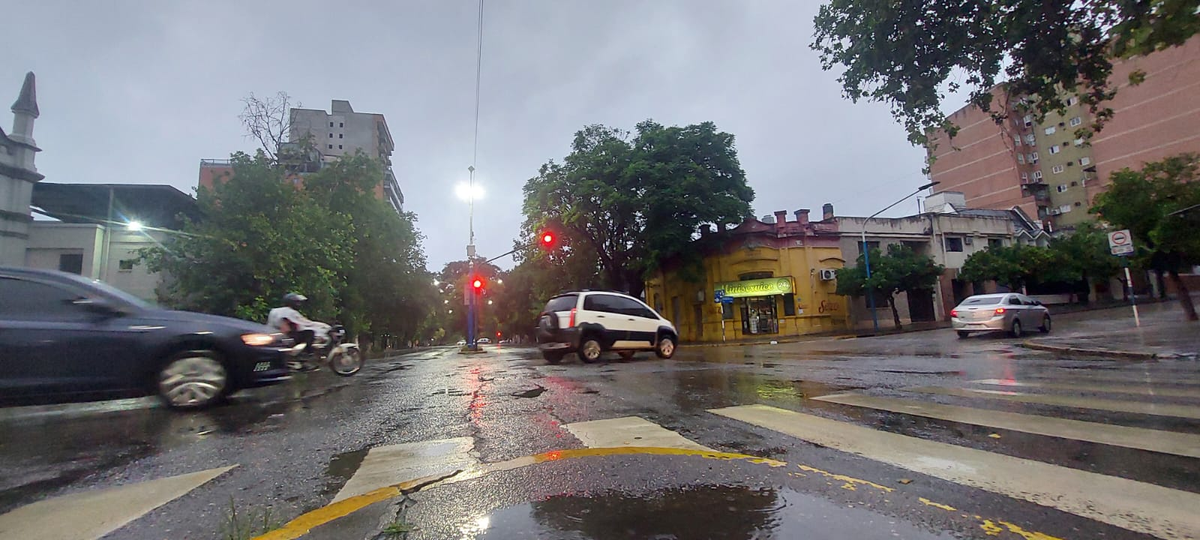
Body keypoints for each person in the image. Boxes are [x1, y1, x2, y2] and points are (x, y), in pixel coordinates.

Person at [268, 293, 319, 368]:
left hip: (271, 332)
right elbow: (305, 322)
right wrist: (320, 325)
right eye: (297, 302)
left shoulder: (274, 310)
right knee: (310, 333)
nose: (299, 304)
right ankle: (305, 355)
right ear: (292, 303)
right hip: (285, 334)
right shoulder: (291, 312)